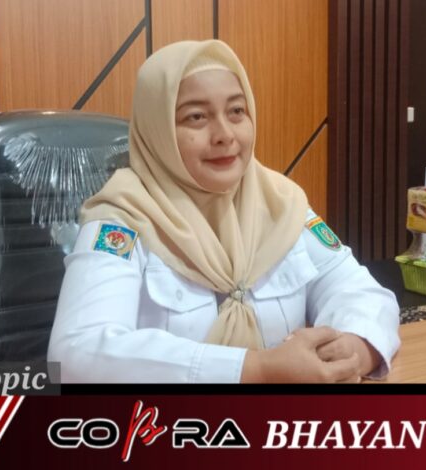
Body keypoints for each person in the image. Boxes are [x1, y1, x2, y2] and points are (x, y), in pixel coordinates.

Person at [47, 40, 400, 383]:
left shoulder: (281, 204)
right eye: (196, 117)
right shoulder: (122, 220)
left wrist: (356, 346)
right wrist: (257, 370)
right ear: (158, 130)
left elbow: (361, 292)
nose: (225, 135)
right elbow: (75, 354)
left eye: (236, 111)